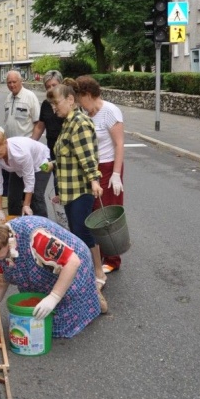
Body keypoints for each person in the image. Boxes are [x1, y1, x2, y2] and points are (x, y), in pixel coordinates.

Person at [0, 218, 106, 338]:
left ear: (1, 245)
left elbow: (72, 262)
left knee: (58, 322)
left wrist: (54, 297)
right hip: (46, 270)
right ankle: (88, 293)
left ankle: (92, 295)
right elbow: (0, 283)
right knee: (39, 314)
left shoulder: (36, 238)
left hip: (74, 262)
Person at [50, 80, 106, 289]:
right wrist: (53, 165)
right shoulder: (68, 122)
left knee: (83, 232)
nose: (55, 109)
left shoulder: (79, 123)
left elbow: (87, 157)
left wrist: (94, 180)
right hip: (70, 190)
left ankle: (99, 273)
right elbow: (70, 156)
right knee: (76, 233)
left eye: (57, 104)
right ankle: (84, 271)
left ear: (71, 100)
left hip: (81, 190)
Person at [73, 75, 125, 273]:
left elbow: (119, 143)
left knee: (108, 212)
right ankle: (98, 255)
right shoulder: (85, 113)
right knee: (93, 212)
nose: (79, 103)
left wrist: (116, 173)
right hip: (91, 169)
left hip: (108, 166)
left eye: (80, 98)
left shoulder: (110, 111)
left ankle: (112, 259)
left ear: (88, 94)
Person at [0, 127, 51, 219]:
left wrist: (26, 205)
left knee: (36, 196)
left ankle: (43, 225)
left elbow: (29, 178)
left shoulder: (21, 153)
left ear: (5, 143)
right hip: (17, 168)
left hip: (40, 163)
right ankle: (15, 225)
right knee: (13, 198)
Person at [31, 70, 64, 157]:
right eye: (48, 87)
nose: (51, 89)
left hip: (66, 149)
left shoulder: (68, 103)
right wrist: (30, 144)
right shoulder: (46, 104)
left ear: (61, 84)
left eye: (54, 85)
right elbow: (40, 126)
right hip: (52, 148)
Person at [3, 70, 41, 139]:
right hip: (10, 143)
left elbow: (38, 124)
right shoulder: (8, 98)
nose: (12, 85)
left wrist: (32, 143)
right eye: (9, 82)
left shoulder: (30, 97)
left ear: (20, 81)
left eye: (14, 82)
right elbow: (7, 122)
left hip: (25, 145)